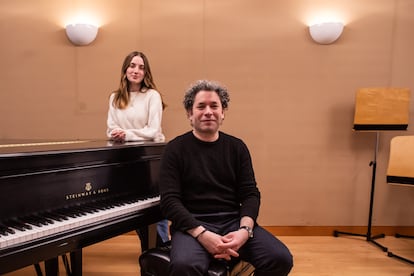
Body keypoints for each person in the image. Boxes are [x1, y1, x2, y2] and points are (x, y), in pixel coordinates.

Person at [159, 80, 293, 275]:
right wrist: (203, 235)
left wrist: (244, 232)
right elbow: (169, 201)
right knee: (185, 266)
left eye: (214, 106)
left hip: (232, 221)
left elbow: (250, 194)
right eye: (201, 106)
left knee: (280, 258)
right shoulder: (174, 149)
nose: (208, 112)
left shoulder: (237, 147)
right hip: (192, 225)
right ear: (190, 113)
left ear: (223, 113)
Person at [106, 50, 169, 245]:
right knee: (137, 212)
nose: (136, 70)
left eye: (141, 67)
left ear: (146, 73)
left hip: (152, 158)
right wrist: (121, 134)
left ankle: (163, 254)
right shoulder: (115, 97)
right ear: (125, 70)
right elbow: (110, 130)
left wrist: (126, 134)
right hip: (128, 159)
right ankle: (150, 259)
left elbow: (153, 130)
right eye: (132, 66)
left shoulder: (152, 95)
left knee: (155, 212)